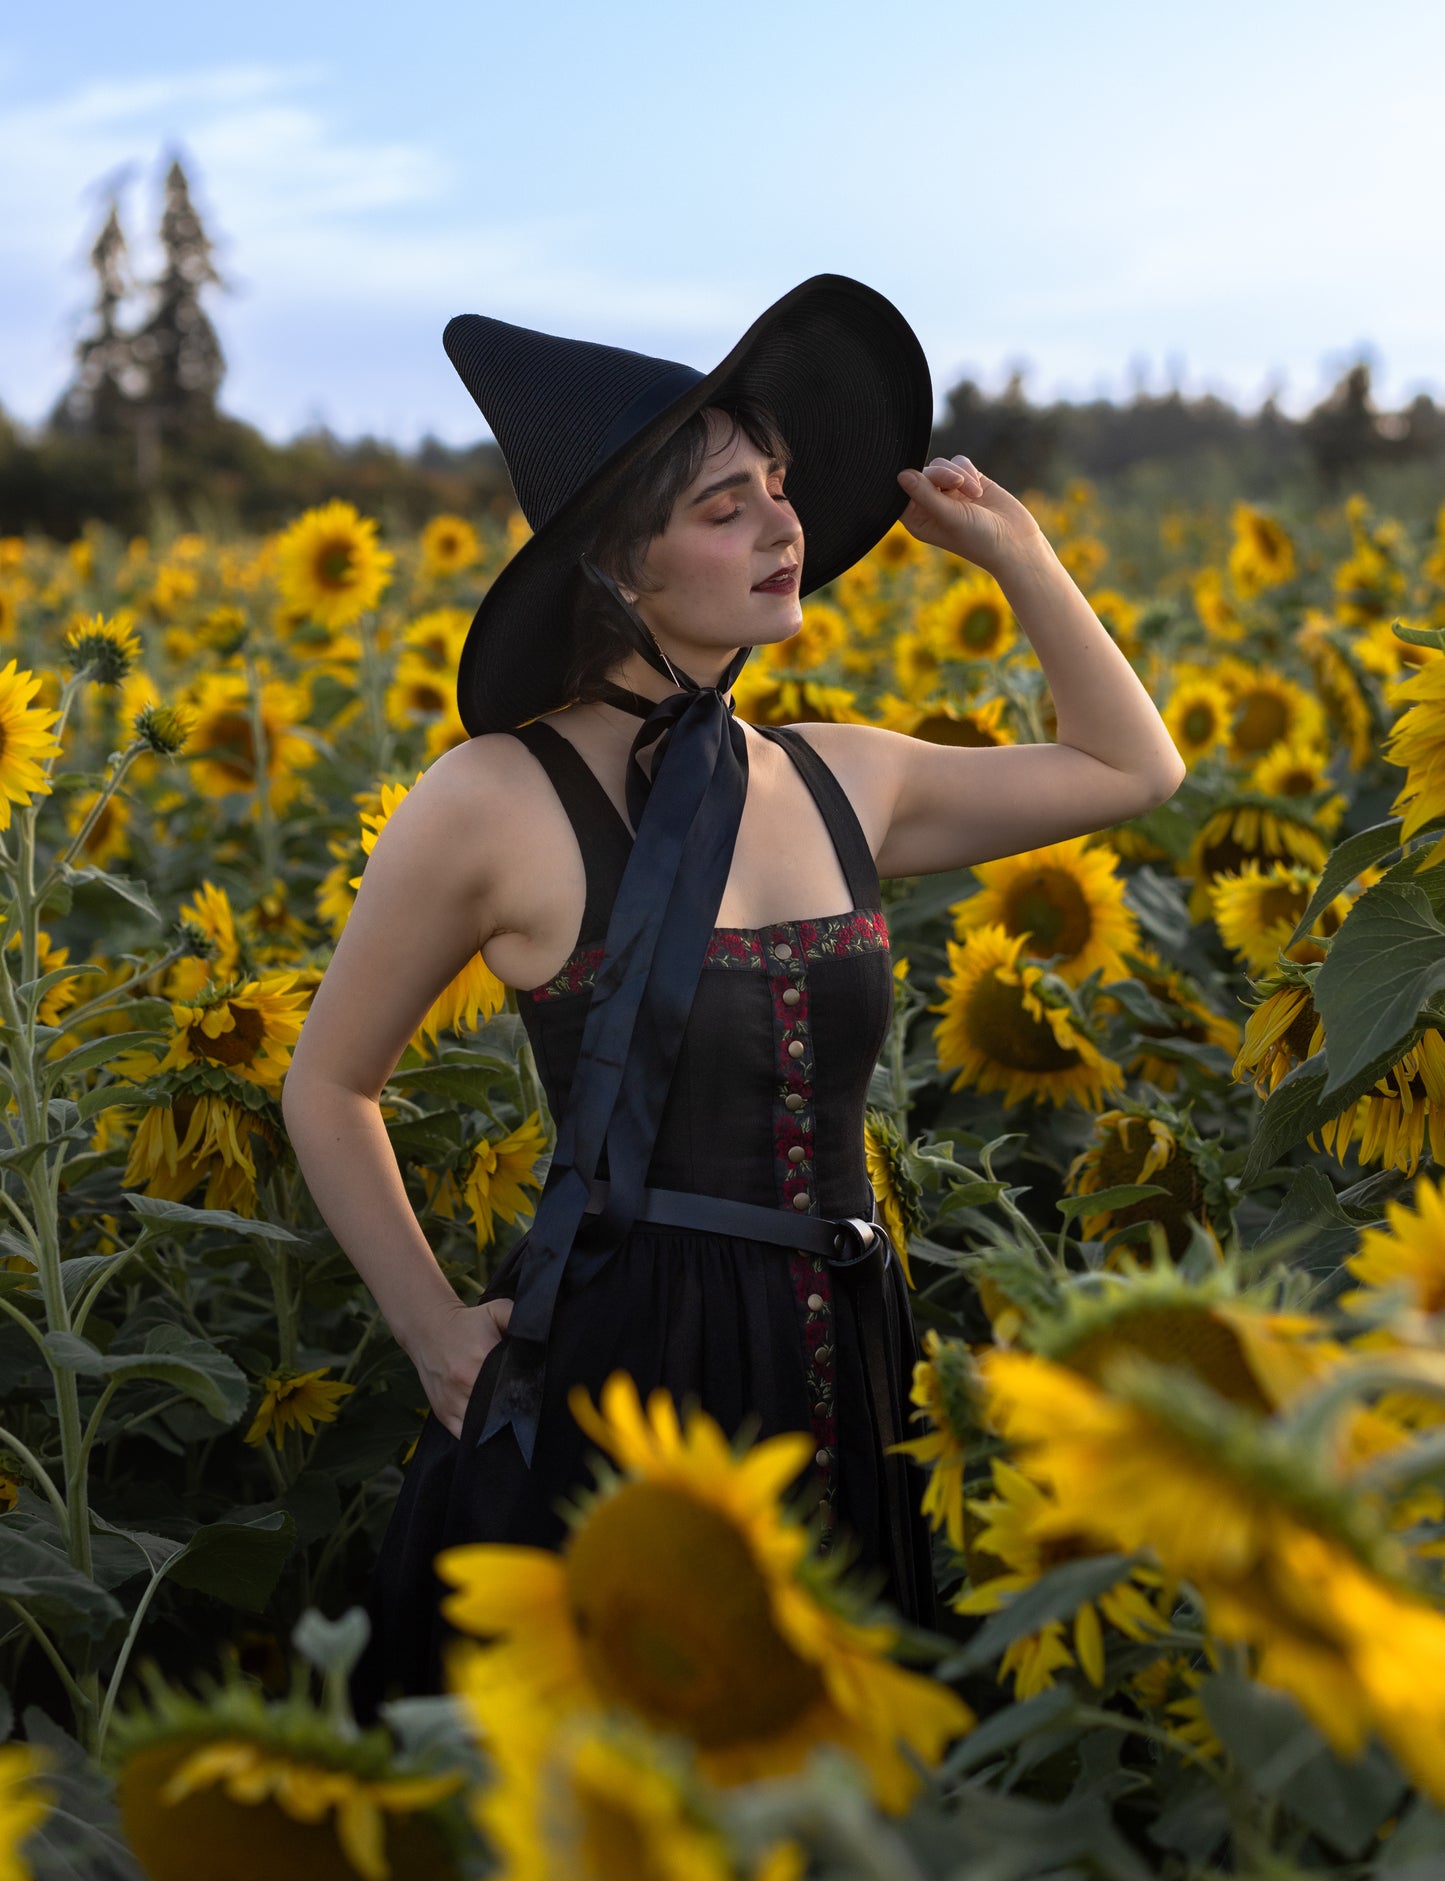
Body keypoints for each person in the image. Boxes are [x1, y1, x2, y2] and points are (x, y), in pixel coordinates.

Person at [280, 276, 1186, 1712]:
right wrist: (433, 1330)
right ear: (615, 573)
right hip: (622, 1365)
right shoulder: (491, 799)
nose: (784, 525)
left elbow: (1129, 769)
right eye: (724, 507)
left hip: (853, 1343)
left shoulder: (845, 773)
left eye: (779, 487)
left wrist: (1018, 556)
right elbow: (327, 1084)